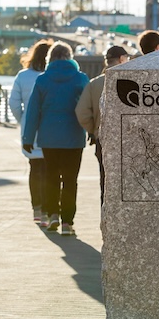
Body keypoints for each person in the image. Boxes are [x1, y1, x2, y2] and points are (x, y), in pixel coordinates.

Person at [22, 42, 89, 236]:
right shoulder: (81, 79)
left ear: (50, 58)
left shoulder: (43, 80)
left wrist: (28, 137)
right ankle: (67, 223)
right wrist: (92, 131)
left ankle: (52, 216)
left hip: (49, 138)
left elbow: (33, 111)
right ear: (70, 57)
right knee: (70, 180)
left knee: (50, 177)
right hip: (74, 137)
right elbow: (88, 108)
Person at [76, 45, 130, 205]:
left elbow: (82, 112)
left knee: (105, 182)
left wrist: (93, 130)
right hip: (128, 141)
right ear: (121, 59)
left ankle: (105, 218)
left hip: (103, 140)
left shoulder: (95, 84)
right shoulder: (132, 81)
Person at [9, 39, 51, 222]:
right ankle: (50, 210)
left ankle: (37, 209)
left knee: (35, 169)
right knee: (50, 170)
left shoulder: (22, 76)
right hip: (51, 128)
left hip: (30, 129)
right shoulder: (51, 76)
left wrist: (24, 120)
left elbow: (13, 104)